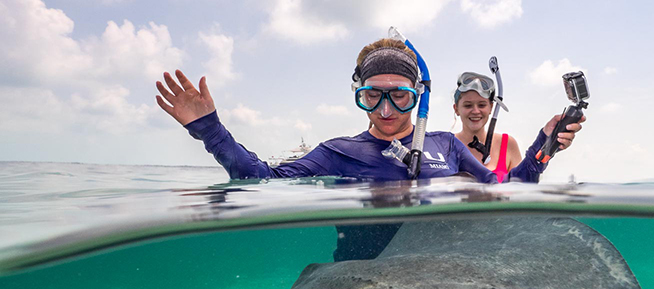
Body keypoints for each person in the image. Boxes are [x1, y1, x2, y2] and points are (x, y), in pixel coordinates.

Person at [156, 38, 582, 184]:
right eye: (371, 96)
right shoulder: (336, 152)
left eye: (398, 95)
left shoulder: (447, 146)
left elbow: (509, 189)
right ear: (358, 97)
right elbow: (261, 180)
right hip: (358, 278)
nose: (385, 110)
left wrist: (547, 147)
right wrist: (210, 130)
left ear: (418, 96)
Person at [452, 72, 584, 182]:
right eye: (468, 105)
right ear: (456, 109)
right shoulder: (445, 145)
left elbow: (522, 185)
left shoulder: (507, 143)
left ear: (491, 107)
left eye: (481, 105)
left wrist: (545, 142)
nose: (475, 111)